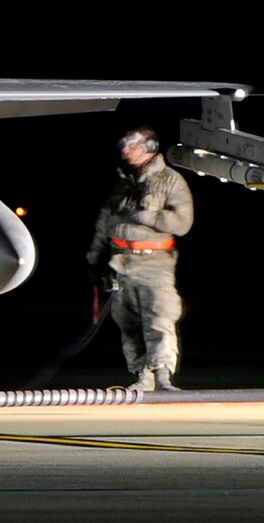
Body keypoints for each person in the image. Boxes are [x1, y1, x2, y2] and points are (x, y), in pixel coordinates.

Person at [85, 125, 195, 392]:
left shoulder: (171, 180)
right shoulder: (124, 182)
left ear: (149, 148)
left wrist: (150, 217)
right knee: (128, 321)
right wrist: (95, 257)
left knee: (159, 317)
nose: (125, 150)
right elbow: (105, 222)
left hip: (154, 262)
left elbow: (183, 223)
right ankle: (141, 375)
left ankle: (163, 375)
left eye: (132, 146)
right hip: (121, 263)